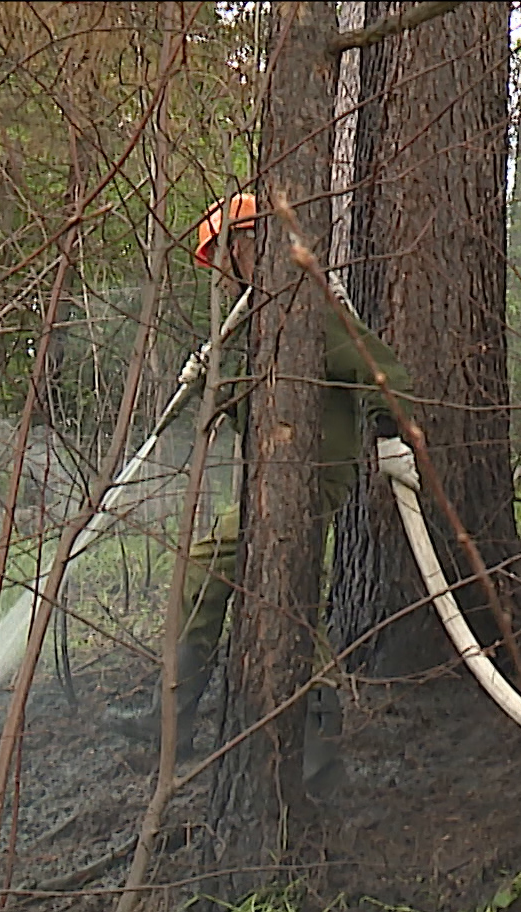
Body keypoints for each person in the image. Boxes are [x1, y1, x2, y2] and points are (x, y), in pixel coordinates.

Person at [107, 194, 420, 792]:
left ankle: (172, 721)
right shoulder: (260, 319)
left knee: (210, 569)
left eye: (224, 253)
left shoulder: (310, 308)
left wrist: (387, 425)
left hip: (308, 478)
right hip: (270, 484)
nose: (221, 270)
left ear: (248, 244)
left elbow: (382, 369)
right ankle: (318, 752)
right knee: (286, 593)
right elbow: (247, 409)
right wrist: (212, 376)